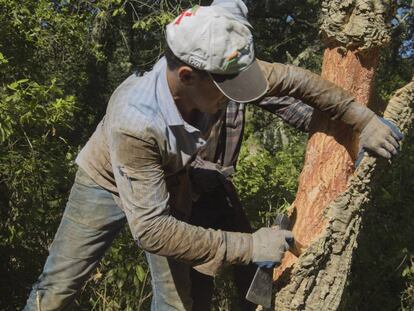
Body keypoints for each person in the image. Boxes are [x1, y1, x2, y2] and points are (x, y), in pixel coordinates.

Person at [25, 3, 403, 311]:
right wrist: (250, 246)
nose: (238, 96)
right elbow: (152, 231)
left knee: (177, 303)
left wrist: (361, 120)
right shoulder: (135, 121)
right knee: (56, 291)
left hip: (171, 182)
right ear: (187, 76)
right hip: (103, 181)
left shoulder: (221, 71)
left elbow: (296, 81)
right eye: (227, 89)